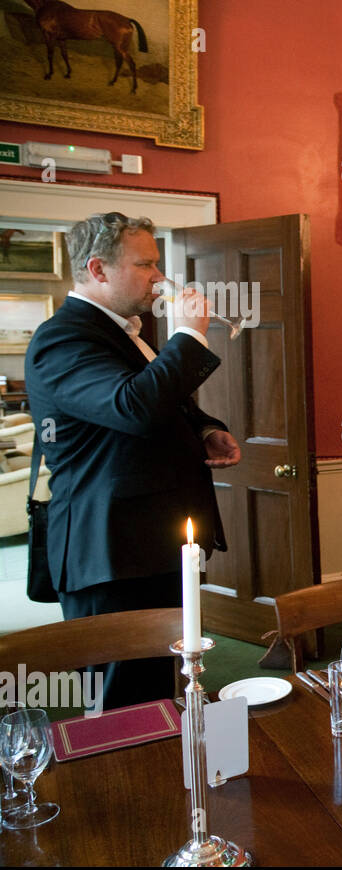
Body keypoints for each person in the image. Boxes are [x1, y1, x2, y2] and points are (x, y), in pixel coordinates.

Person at [25, 212, 239, 705]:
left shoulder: (126, 331)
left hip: (150, 544)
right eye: (146, 265)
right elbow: (133, 407)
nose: (160, 277)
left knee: (163, 684)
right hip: (110, 551)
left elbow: (154, 404)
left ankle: (175, 773)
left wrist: (203, 428)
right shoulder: (62, 339)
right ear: (98, 269)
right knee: (123, 700)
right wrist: (190, 336)